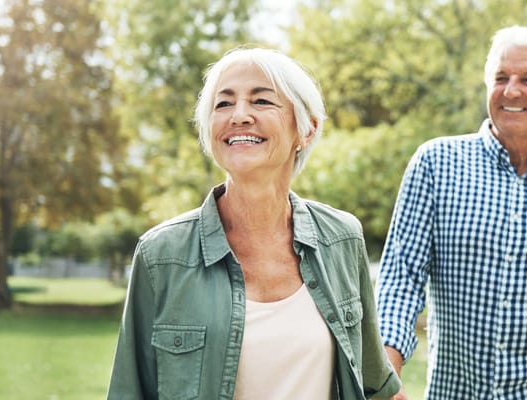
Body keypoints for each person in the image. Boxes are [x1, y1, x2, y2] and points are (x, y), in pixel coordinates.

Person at [107, 47, 400, 400]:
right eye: (223, 104)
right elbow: (129, 390)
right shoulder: (160, 255)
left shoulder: (342, 238)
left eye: (261, 101)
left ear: (306, 129)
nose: (240, 115)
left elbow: (375, 386)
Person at [376, 25, 527, 399]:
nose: (511, 90)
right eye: (500, 78)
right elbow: (401, 279)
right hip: (458, 391)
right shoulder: (436, 163)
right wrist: (384, 381)